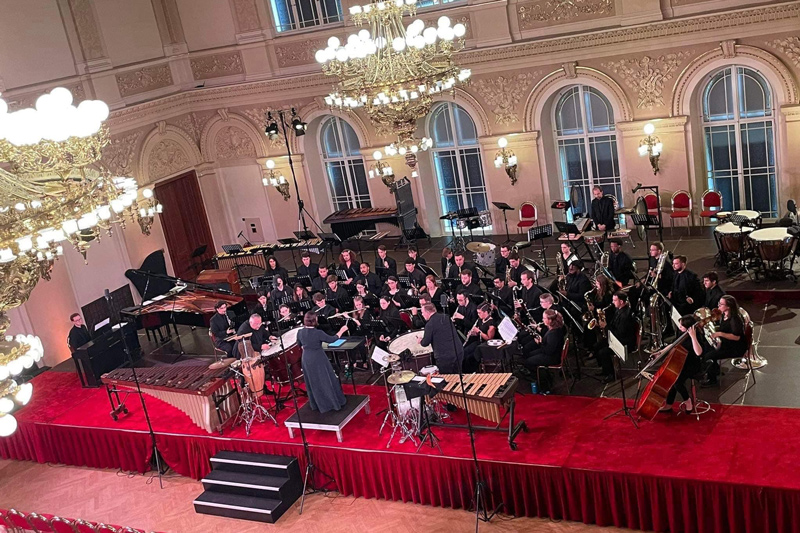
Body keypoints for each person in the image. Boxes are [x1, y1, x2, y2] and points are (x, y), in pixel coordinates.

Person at [297, 311, 350, 414]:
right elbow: (332, 339)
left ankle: (316, 404)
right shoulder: (318, 333)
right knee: (325, 379)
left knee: (313, 381)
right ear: (314, 320)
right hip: (318, 358)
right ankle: (331, 403)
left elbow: (300, 344)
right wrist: (342, 330)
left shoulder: (300, 332)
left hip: (306, 358)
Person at [659, 314, 707, 414]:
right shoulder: (681, 333)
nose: (679, 327)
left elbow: (698, 352)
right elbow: (673, 344)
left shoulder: (697, 336)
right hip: (682, 363)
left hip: (693, 365)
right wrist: (660, 353)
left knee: (676, 381)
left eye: (681, 326)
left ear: (689, 327)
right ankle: (668, 405)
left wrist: (693, 336)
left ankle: (688, 401)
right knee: (671, 379)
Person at [702, 295, 748, 387]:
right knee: (706, 346)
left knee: (709, 356)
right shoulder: (724, 315)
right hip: (728, 343)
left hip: (736, 347)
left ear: (728, 307)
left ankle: (712, 380)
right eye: (719, 303)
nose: (718, 306)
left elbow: (736, 337)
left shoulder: (735, 320)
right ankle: (714, 370)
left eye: (721, 304)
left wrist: (720, 334)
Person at [594, 291, 638, 383]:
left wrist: (605, 327)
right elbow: (614, 325)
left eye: (615, 300)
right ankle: (605, 370)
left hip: (624, 342)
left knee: (603, 352)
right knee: (597, 346)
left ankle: (611, 375)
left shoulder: (625, 315)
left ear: (621, 302)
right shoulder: (619, 310)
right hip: (617, 337)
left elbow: (620, 333)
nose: (613, 302)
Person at [523, 309, 567, 391]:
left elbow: (548, 351)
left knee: (529, 362)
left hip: (553, 357)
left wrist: (539, 343)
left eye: (544, 318)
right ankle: (541, 375)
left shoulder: (553, 334)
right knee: (530, 354)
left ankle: (541, 382)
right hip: (551, 353)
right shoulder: (552, 328)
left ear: (550, 320)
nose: (542, 320)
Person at [420, 303, 464, 374]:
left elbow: (425, 343)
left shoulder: (430, 324)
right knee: (458, 376)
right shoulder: (446, 317)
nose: (422, 314)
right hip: (458, 351)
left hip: (445, 357)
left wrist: (420, 341)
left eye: (422, 312)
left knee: (447, 379)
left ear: (428, 312)